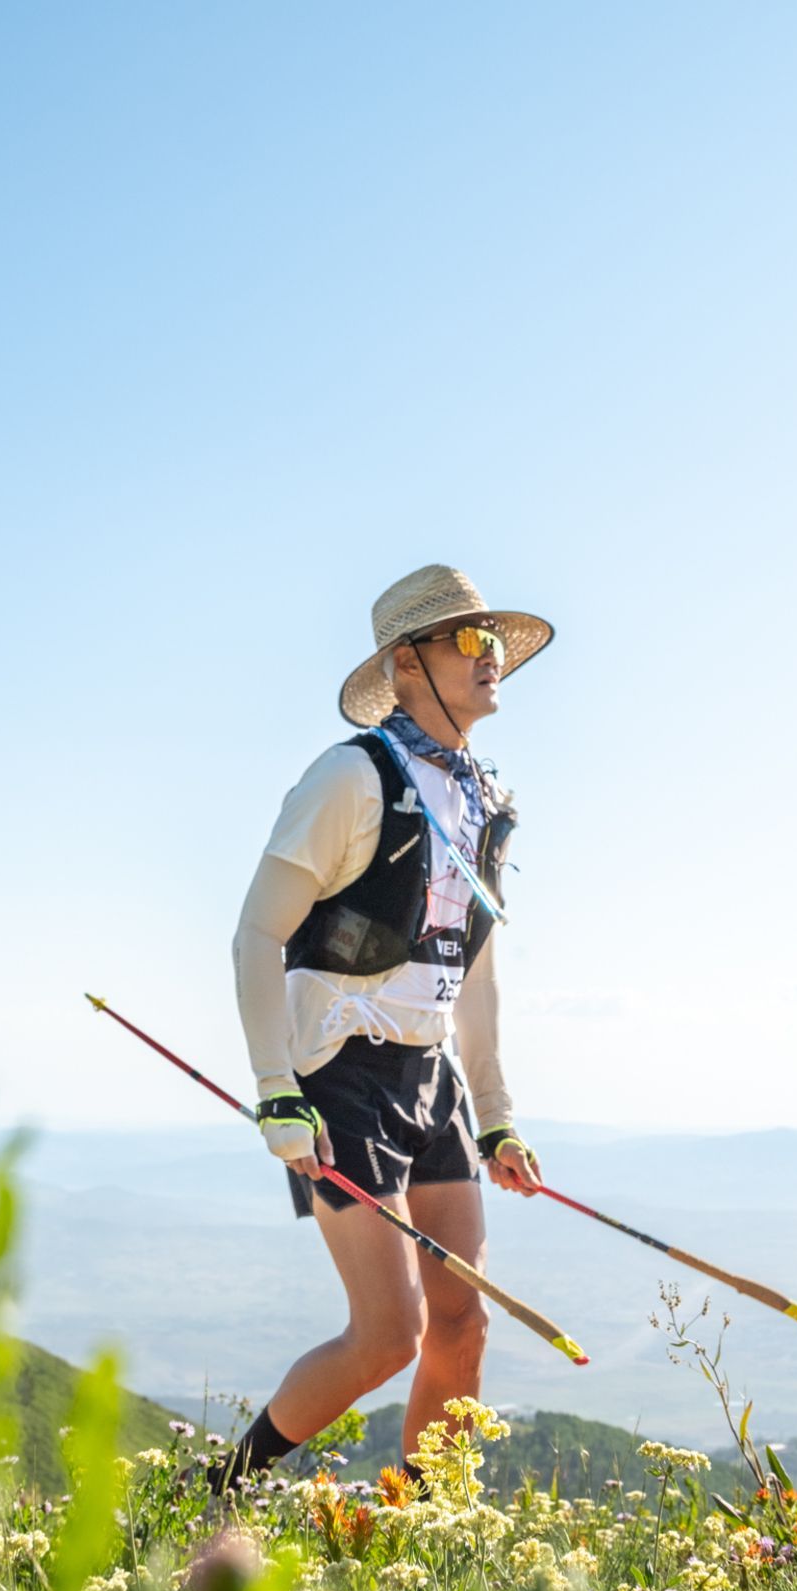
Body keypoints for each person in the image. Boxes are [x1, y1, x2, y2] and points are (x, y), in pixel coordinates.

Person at [209, 563, 552, 1503]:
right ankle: (213, 1490)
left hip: (430, 1075)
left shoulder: (485, 799)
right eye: (470, 640)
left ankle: (428, 1532)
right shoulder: (350, 777)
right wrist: (276, 1088)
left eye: (495, 640)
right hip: (339, 1073)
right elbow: (256, 934)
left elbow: (474, 966)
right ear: (408, 661)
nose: (492, 658)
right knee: (389, 1335)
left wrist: (496, 1114)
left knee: (464, 1322)